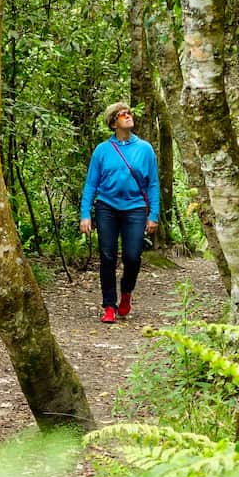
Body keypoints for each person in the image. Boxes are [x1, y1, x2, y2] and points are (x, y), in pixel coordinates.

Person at [79, 101, 159, 323]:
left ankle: (126, 294)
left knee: (133, 257)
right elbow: (90, 184)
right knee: (107, 256)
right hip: (107, 208)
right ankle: (109, 305)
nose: (127, 116)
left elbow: (153, 184)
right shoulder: (102, 150)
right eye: (122, 114)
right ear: (113, 123)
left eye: (129, 113)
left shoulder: (145, 149)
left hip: (135, 208)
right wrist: (85, 214)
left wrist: (153, 215)